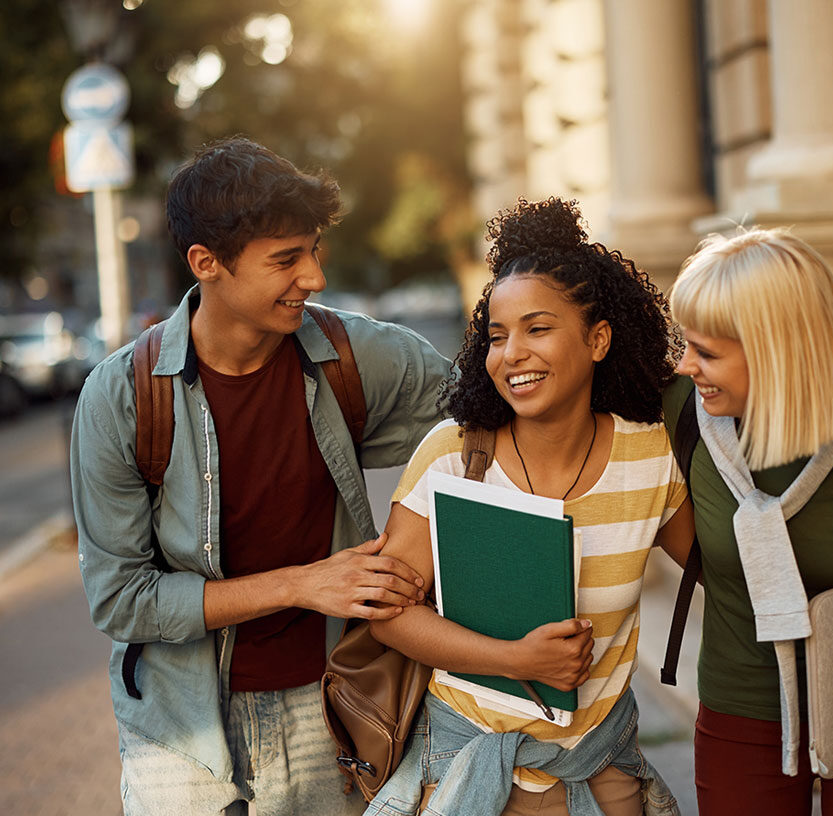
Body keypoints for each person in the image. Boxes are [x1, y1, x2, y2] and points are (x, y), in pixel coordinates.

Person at [70, 136, 452, 816]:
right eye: (285, 260)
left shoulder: (354, 355)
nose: (313, 277)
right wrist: (303, 585)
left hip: (333, 703)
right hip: (178, 728)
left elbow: (489, 419)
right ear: (205, 263)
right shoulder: (122, 397)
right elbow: (121, 601)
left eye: (313, 251)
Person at [362, 198, 695, 816]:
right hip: (470, 776)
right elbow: (388, 614)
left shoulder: (651, 456)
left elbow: (722, 572)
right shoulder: (453, 456)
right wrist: (514, 660)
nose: (510, 353)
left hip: (602, 774)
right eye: (496, 335)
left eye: (537, 328)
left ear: (598, 338)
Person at [664, 226, 833, 815]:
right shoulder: (683, 416)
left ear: (779, 351)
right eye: (685, 344)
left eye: (708, 353)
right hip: (740, 711)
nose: (686, 365)